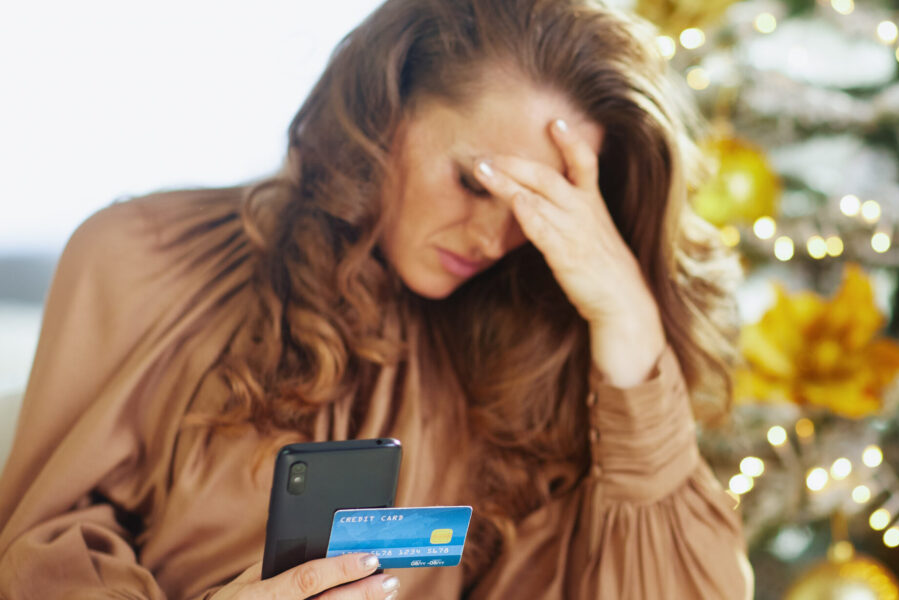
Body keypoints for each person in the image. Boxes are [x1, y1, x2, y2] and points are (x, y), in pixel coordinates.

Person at [0, 0, 753, 598]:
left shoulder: (533, 350)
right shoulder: (141, 260)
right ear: (383, 111)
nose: (495, 237)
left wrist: (626, 315)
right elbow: (38, 553)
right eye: (475, 183)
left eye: (537, 214)